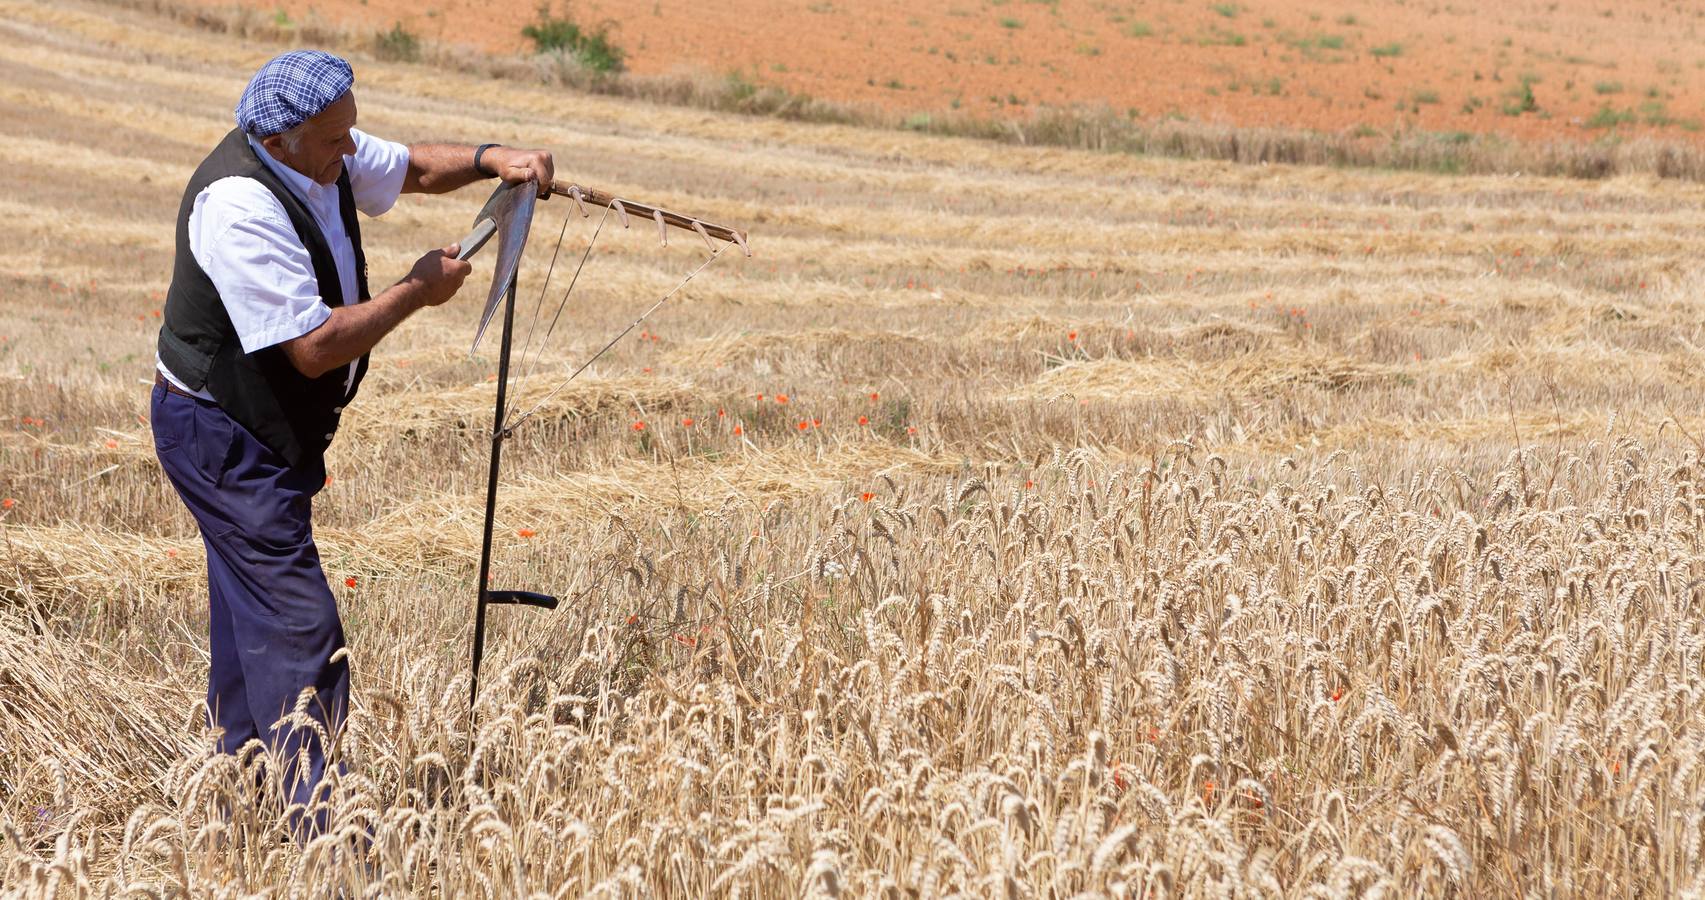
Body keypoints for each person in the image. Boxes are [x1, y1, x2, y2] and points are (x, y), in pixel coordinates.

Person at [150, 50, 553, 832]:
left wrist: (488, 160)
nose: (351, 152)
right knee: (299, 626)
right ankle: (324, 839)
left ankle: (243, 792)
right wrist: (415, 291)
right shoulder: (240, 205)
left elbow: (409, 170)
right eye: (336, 141)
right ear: (282, 140)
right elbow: (313, 347)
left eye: (350, 133)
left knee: (250, 615)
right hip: (221, 434)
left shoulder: (318, 151)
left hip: (255, 425)